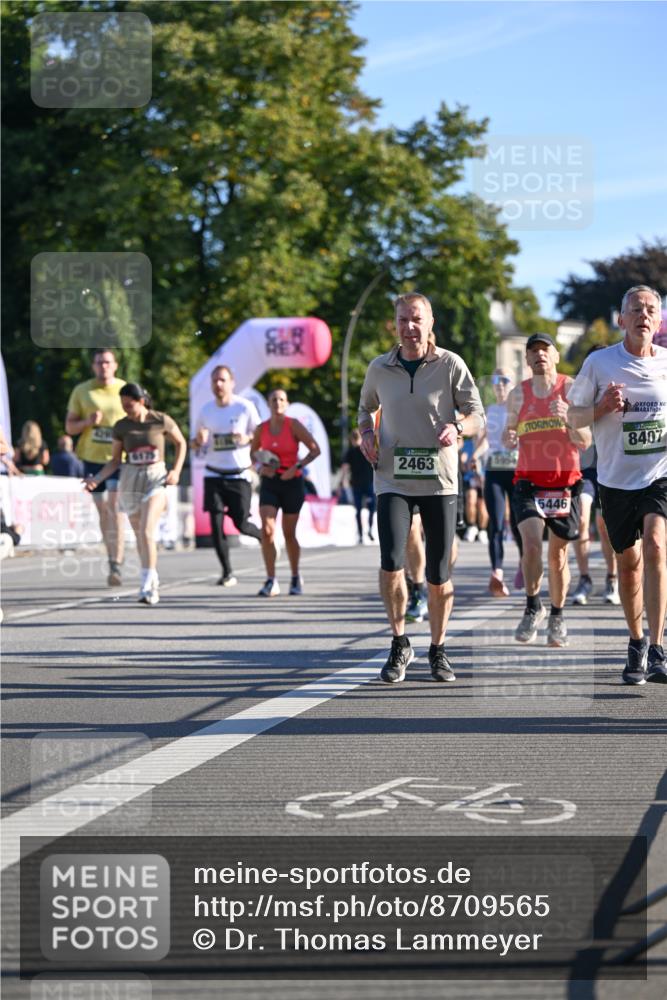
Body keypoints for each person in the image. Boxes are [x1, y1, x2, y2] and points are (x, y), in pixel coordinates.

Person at [358, 291, 485, 683]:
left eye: (416, 320)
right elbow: (365, 408)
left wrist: (458, 426)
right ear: (393, 325)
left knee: (437, 571)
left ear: (431, 324)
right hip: (392, 477)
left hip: (439, 481)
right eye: (402, 320)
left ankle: (438, 648)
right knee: (391, 560)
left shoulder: (450, 365)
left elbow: (477, 413)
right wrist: (365, 432)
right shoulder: (380, 367)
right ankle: (399, 643)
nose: (409, 328)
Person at [567, 285, 667, 684]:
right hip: (615, 478)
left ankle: (658, 647)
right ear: (621, 319)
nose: (643, 315)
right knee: (629, 566)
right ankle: (636, 640)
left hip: (660, 472)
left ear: (658, 321)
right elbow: (573, 419)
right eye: (635, 309)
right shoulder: (599, 363)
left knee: (657, 544)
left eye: (651, 310)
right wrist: (601, 408)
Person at [504, 333, 591, 647]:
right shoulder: (517, 394)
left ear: (556, 356)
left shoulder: (571, 389)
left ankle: (557, 613)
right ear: (527, 360)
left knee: (558, 557)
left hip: (565, 482)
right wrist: (510, 438)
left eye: (545, 349)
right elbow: (507, 434)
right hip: (528, 481)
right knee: (531, 545)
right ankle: (532, 606)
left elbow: (585, 441)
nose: (539, 355)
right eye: (533, 351)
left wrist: (568, 419)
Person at [83, 383, 187, 606]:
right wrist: (96, 479)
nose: (126, 410)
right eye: (123, 406)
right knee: (140, 533)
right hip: (131, 478)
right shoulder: (121, 426)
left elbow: (181, 443)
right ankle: (151, 572)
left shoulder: (161, 420)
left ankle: (147, 583)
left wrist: (176, 471)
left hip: (155, 477)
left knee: (148, 529)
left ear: (141, 401)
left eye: (129, 405)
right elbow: (114, 461)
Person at [192, 365, 262, 586]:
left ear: (232, 383)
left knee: (241, 523)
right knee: (216, 523)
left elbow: (260, 436)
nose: (218, 384)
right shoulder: (205, 411)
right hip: (213, 473)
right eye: (214, 381)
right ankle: (227, 572)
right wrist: (199, 441)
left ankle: (265, 537)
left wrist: (246, 439)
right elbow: (194, 444)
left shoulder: (244, 407)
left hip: (238, 475)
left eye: (222, 380)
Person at [250, 388, 321, 597]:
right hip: (270, 482)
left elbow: (315, 449)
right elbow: (252, 454)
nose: (277, 403)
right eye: (273, 399)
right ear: (269, 404)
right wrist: (260, 467)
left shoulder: (294, 425)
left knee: (289, 534)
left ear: (287, 403)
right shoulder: (261, 429)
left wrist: (296, 468)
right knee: (267, 530)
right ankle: (271, 580)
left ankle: (295, 576)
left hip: (292, 483)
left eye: (281, 399)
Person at [66, 348, 126, 585]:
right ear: (93, 366)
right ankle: (111, 555)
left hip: (119, 458)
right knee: (102, 509)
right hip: (92, 457)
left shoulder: (124, 389)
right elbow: (70, 428)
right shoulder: (82, 391)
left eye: (107, 362)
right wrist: (87, 422)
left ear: (115, 365)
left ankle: (117, 563)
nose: (103, 366)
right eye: (99, 362)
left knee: (115, 505)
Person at [476, 368, 522, 597]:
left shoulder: (520, 410)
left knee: (517, 522)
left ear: (512, 384)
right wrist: (473, 455)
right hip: (494, 468)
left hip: (516, 470)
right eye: (495, 381)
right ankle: (497, 573)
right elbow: (485, 441)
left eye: (504, 380)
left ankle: (525, 563)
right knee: (496, 522)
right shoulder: (490, 410)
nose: (500, 385)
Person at [340, 429, 375, 544]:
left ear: (351, 439)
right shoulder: (368, 449)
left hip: (356, 485)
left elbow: (345, 468)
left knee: (358, 510)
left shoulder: (350, 452)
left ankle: (360, 534)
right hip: (369, 483)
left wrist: (343, 481)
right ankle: (369, 529)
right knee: (371, 508)